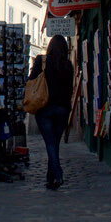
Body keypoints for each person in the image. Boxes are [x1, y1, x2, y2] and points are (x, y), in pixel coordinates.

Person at [35, 35, 77, 190]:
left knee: (50, 144)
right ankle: (50, 179)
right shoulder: (68, 65)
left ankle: (58, 174)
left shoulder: (42, 61)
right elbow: (69, 89)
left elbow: (32, 80)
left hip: (45, 108)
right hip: (62, 109)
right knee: (54, 144)